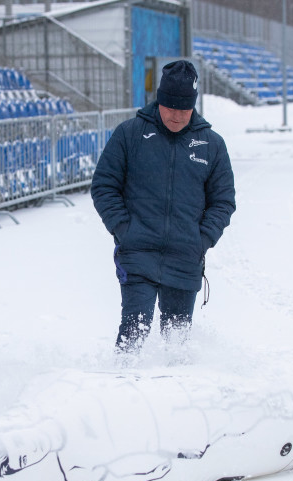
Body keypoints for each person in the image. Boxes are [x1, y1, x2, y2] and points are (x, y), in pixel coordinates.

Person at [91, 60, 236, 354]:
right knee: (133, 332)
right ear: (160, 100)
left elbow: (223, 201)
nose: (177, 116)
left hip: (185, 257)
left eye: (184, 110)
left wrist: (201, 239)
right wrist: (124, 229)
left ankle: (174, 394)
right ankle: (122, 386)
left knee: (176, 343)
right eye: (170, 107)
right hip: (137, 252)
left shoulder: (211, 144)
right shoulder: (129, 134)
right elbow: (104, 186)